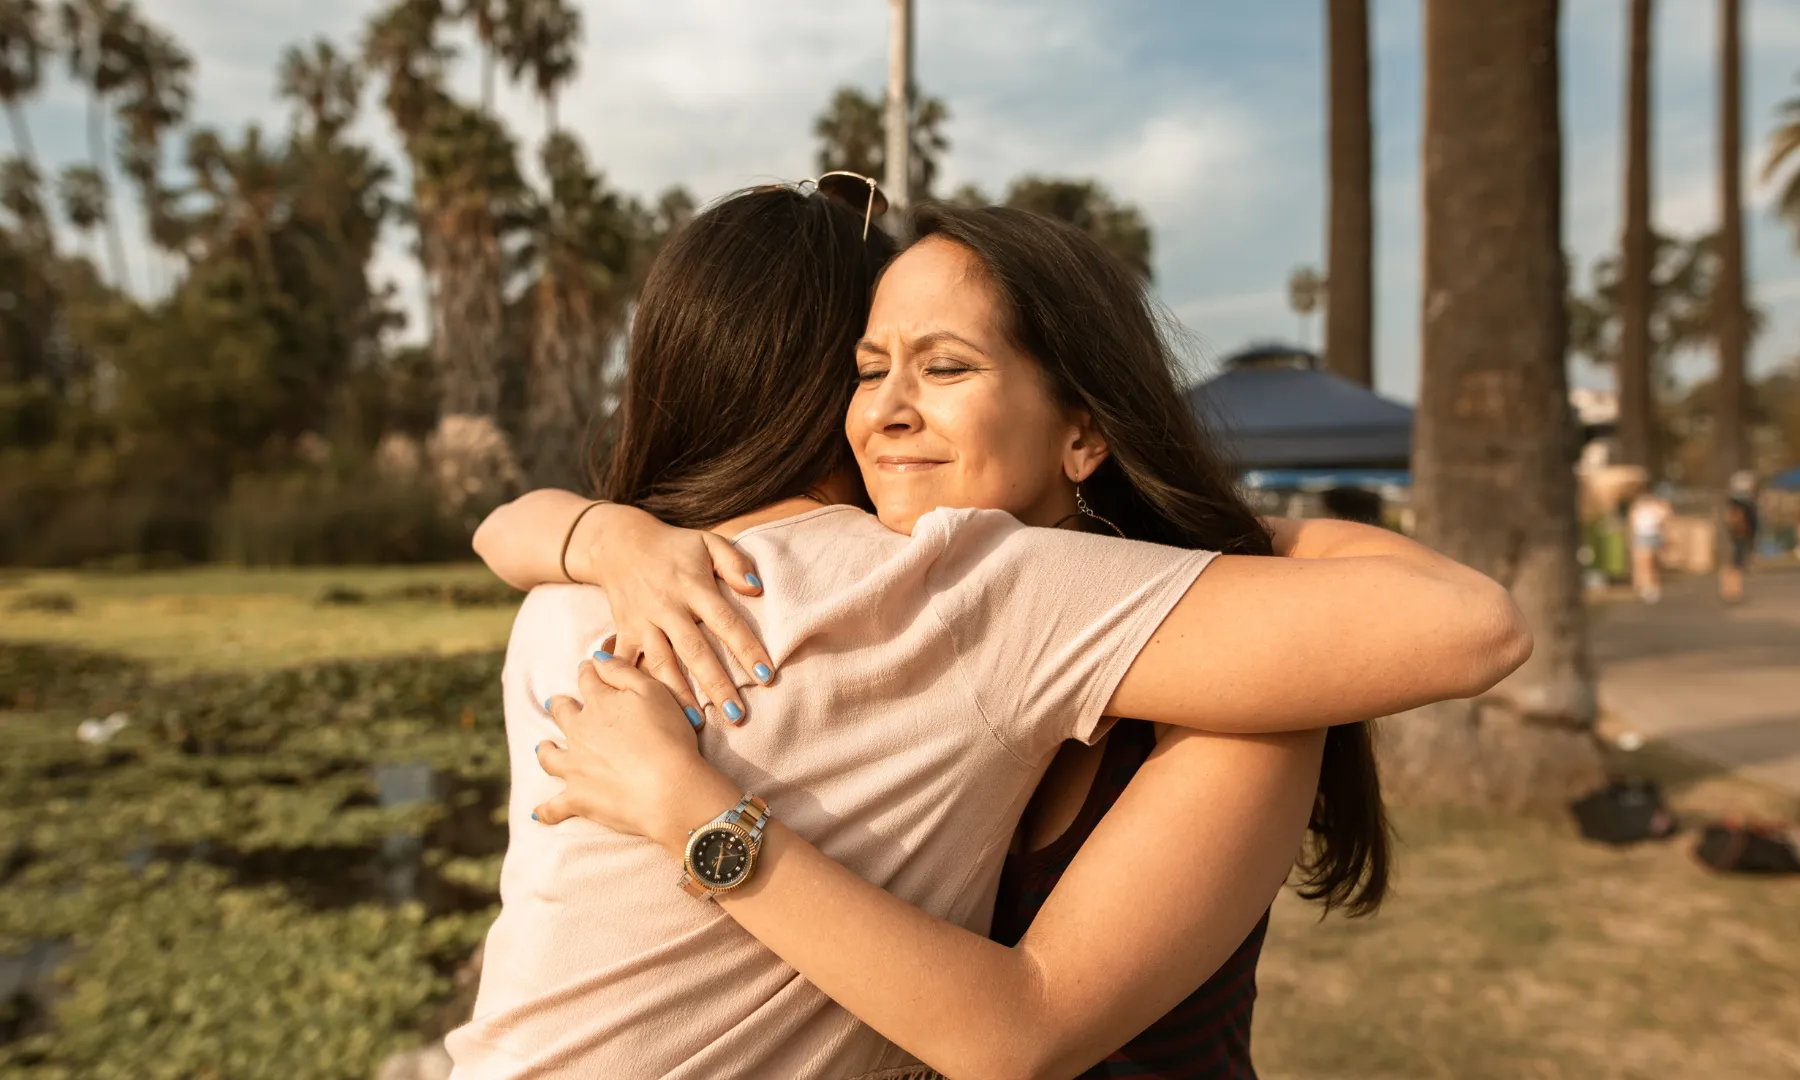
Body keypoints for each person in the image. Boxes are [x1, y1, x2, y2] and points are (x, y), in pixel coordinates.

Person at [453, 192, 1531, 1080]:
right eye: (868, 370)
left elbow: (1474, 626)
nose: (886, 412)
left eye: (948, 368)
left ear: (1083, 429)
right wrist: (606, 537)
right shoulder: (917, 612)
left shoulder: (1125, 654)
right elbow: (506, 530)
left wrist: (697, 818)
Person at [1720, 470, 1759, 604]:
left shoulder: (1745, 501)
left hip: (1743, 534)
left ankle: (1733, 590)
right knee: (1735, 563)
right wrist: (1740, 529)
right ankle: (1731, 590)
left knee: (1738, 563)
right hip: (1739, 534)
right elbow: (1734, 517)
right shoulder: (1738, 502)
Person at [1627, 486, 1670, 604]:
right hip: (1643, 535)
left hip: (1653, 535)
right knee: (1643, 563)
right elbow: (1632, 523)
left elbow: (1665, 521)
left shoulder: (1657, 507)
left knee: (1652, 563)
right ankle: (1646, 586)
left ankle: (1651, 587)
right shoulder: (1638, 508)